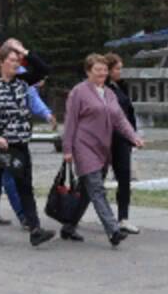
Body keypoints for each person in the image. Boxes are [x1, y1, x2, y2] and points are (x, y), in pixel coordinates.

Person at [60, 54, 144, 248]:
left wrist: (134, 137)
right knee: (97, 188)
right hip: (83, 146)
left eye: (105, 70)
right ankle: (113, 230)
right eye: (98, 70)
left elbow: (120, 120)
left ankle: (69, 226)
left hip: (102, 148)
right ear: (88, 71)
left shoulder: (109, 93)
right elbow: (71, 121)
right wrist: (67, 148)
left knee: (87, 191)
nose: (102, 73)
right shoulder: (78, 92)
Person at [0, 40, 55, 247]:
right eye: (12, 60)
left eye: (18, 60)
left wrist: (24, 51)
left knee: (25, 186)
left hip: (19, 143)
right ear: (1, 62)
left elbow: (44, 70)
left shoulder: (23, 81)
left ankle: (35, 229)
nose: (16, 64)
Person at [104, 53, 140, 234]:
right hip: (108, 139)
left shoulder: (121, 87)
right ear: (109, 71)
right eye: (117, 68)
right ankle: (72, 217)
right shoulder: (104, 89)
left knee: (124, 178)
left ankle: (123, 217)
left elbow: (127, 113)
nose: (120, 71)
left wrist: (132, 135)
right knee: (94, 182)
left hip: (123, 140)